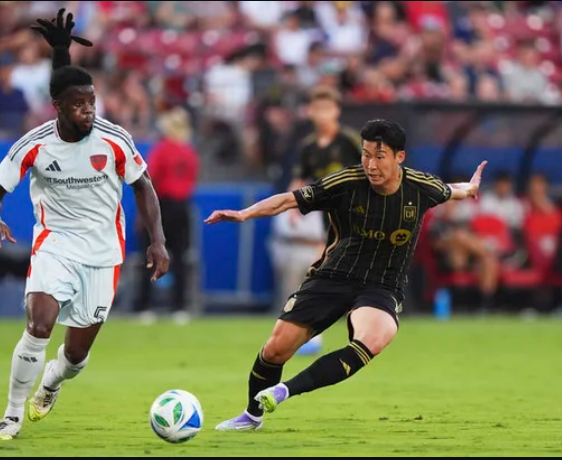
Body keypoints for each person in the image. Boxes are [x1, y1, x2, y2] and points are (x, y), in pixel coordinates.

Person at [205, 119, 487, 431]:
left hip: (383, 284)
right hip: (334, 275)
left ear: (399, 157)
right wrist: (244, 213)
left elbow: (452, 190)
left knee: (372, 339)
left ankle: (284, 391)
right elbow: (289, 199)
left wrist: (471, 188)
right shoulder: (346, 182)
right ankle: (251, 416)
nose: (371, 165)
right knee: (275, 350)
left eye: (379, 156)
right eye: (366, 155)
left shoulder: (420, 187)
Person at [0, 9, 170, 441]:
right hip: (55, 243)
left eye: (92, 102)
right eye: (79, 104)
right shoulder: (34, 145)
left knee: (75, 357)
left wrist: (158, 241)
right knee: (39, 326)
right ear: (58, 108)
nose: (88, 110)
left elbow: (144, 186)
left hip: (103, 252)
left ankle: (52, 380)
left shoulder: (114, 138)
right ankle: (11, 414)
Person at [289, 85, 362, 355]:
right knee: (325, 269)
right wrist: (292, 208)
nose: (322, 115)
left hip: (359, 214)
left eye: (327, 109)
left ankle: (323, 327)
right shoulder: (308, 147)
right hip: (330, 218)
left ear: (336, 111)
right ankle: (312, 330)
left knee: (337, 269)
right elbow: (299, 179)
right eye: (317, 109)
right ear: (310, 112)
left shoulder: (349, 141)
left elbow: (372, 169)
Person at [134, 107, 200, 324]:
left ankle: (145, 305)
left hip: (161, 206)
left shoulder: (162, 149)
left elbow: (149, 181)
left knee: (151, 256)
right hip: (182, 207)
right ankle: (179, 306)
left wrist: (143, 214)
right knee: (180, 259)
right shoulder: (189, 152)